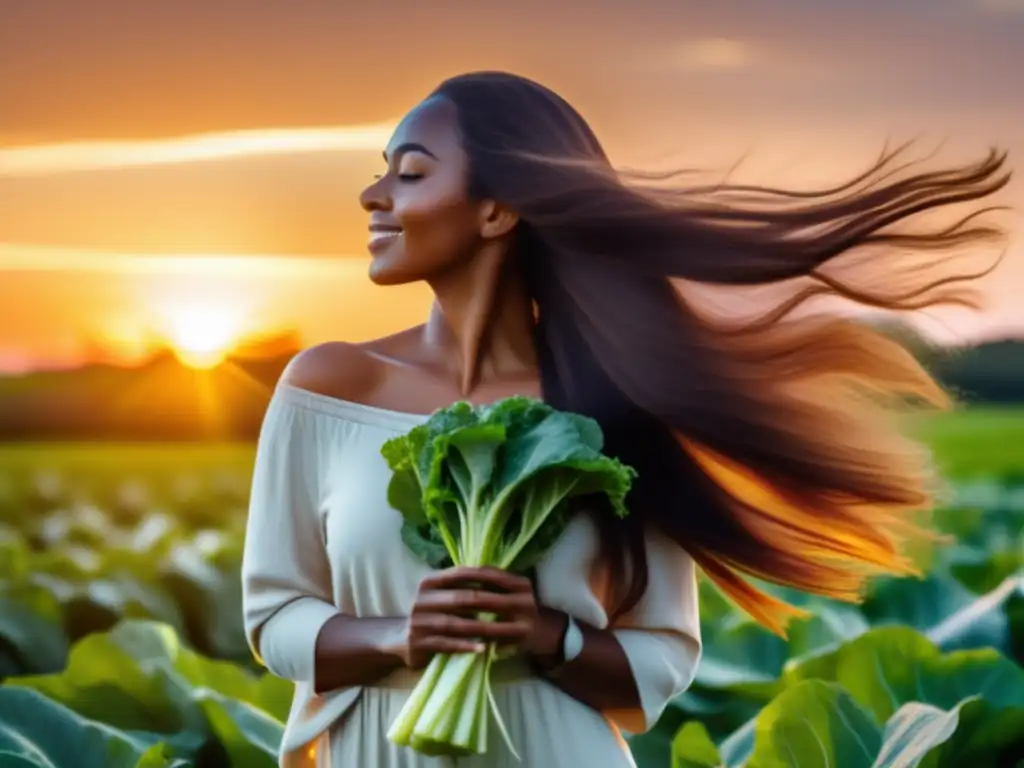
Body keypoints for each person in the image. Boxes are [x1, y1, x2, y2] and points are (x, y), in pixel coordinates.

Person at [241, 71, 1010, 767]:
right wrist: (398, 635)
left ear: (498, 210)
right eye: (381, 172)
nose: (374, 196)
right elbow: (273, 617)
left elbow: (660, 662)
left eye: (409, 173)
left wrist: (548, 636)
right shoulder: (328, 386)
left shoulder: (616, 405)